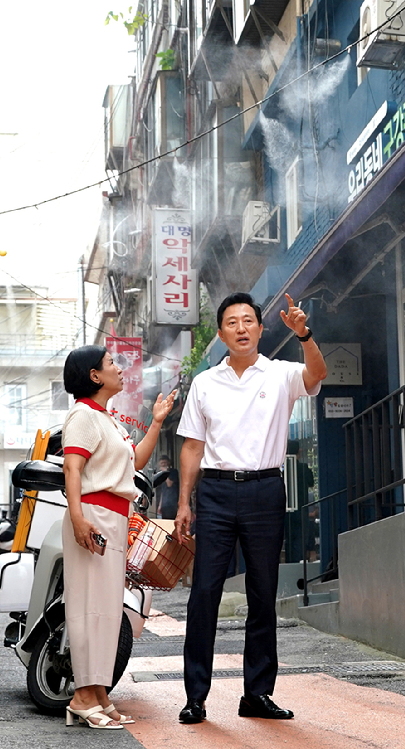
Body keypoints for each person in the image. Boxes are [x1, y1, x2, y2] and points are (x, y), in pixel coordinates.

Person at [174, 292, 327, 724]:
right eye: (232, 322)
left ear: (261, 329)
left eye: (249, 321)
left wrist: (305, 336)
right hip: (217, 494)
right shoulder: (205, 383)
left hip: (265, 491)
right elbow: (192, 447)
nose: (241, 328)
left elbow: (318, 374)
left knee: (263, 593)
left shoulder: (280, 374)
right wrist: (185, 502)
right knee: (204, 593)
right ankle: (196, 697)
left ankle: (256, 694)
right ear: (221, 333)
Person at [61, 345, 175, 729]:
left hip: (112, 517)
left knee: (108, 609)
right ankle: (81, 696)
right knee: (89, 606)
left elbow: (136, 462)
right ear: (94, 376)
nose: (119, 368)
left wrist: (157, 421)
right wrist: (78, 519)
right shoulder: (82, 415)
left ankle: (99, 694)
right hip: (92, 516)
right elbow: (72, 470)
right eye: (111, 363)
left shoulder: (107, 420)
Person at [155, 455, 179, 519]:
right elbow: (162, 491)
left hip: (172, 503)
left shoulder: (173, 472)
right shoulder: (161, 475)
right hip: (164, 504)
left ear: (168, 463)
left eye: (164, 463)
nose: (163, 465)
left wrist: (164, 472)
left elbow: (169, 484)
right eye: (161, 463)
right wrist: (160, 505)